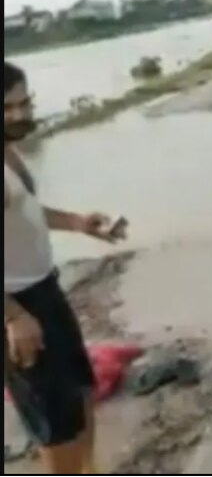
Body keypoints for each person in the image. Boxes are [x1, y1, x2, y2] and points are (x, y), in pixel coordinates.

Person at [4, 61, 127, 474]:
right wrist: (14, 316)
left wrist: (77, 222)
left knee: (78, 391)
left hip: (43, 290)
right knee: (54, 421)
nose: (20, 115)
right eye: (7, 108)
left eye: (24, 103)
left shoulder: (8, 151)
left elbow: (23, 210)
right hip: (17, 307)